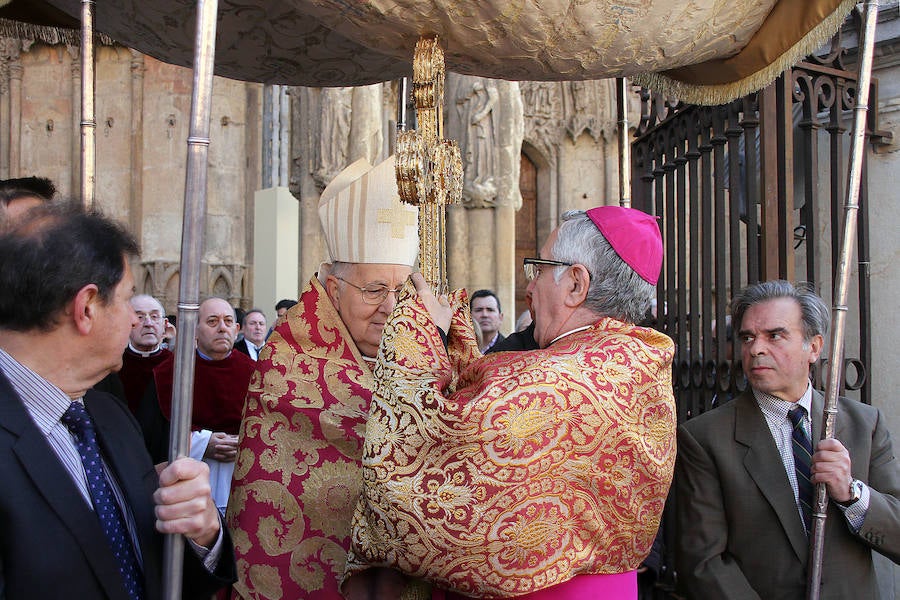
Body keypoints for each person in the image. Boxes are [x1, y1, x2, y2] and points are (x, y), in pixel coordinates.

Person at [348, 205, 676, 598]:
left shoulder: (553, 378)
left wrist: (420, 331)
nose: (530, 287)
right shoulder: (636, 362)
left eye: (538, 269)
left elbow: (418, 461)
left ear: (576, 284)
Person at [0, 202, 236, 599]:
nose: (134, 319)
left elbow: (156, 569)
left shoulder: (109, 415)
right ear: (87, 308)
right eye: (128, 300)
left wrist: (202, 532)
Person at [227, 155, 422, 599]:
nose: (392, 308)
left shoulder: (427, 359)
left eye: (402, 291)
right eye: (375, 290)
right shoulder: (287, 364)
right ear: (333, 290)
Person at [675, 280, 900, 599]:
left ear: (814, 346)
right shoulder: (706, 438)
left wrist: (851, 495)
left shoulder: (864, 425)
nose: (756, 349)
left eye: (774, 335)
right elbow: (704, 563)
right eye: (747, 337)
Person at [152, 297, 255, 514]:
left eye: (228, 322)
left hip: (244, 482)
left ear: (237, 330)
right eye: (212, 321)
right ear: (195, 330)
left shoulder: (255, 372)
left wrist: (243, 443)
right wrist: (202, 443)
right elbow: (154, 434)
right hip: (187, 487)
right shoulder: (169, 373)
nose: (222, 328)